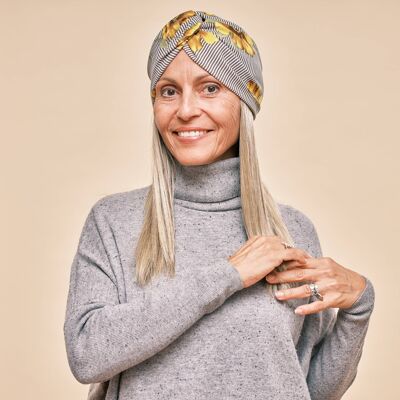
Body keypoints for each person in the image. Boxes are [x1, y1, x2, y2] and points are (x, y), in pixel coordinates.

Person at [63, 10, 375, 400]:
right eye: (168, 90)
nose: (186, 109)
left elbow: (308, 388)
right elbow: (87, 354)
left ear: (243, 103)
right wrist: (228, 275)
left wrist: (359, 307)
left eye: (210, 88)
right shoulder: (113, 222)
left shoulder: (291, 230)